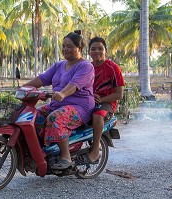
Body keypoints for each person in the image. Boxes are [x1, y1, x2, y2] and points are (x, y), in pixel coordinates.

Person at [23, 30, 95, 170]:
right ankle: (44, 151)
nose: (65, 49)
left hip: (79, 107)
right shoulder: (59, 65)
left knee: (55, 119)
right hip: (57, 105)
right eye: (63, 46)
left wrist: (62, 93)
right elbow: (42, 79)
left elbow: (74, 85)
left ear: (79, 48)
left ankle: (65, 155)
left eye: (69, 46)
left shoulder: (86, 66)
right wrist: (23, 88)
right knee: (33, 116)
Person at [78, 36, 125, 164]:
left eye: (100, 48)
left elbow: (119, 94)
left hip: (106, 103)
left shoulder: (113, 68)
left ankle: (95, 150)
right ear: (89, 52)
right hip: (87, 101)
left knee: (97, 116)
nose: (97, 51)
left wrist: (101, 99)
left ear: (106, 50)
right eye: (93, 49)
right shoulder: (86, 67)